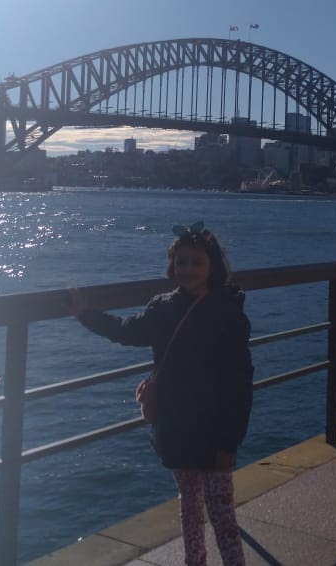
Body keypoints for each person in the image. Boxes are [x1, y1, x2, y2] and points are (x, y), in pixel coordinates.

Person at [68, 221, 253, 566]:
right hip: (175, 426)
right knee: (190, 507)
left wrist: (230, 443)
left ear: (213, 266)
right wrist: (86, 315)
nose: (188, 269)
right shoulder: (164, 308)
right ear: (172, 265)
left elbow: (239, 384)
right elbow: (127, 331)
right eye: (182, 262)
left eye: (197, 262)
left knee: (221, 515)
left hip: (213, 431)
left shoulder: (228, 314)